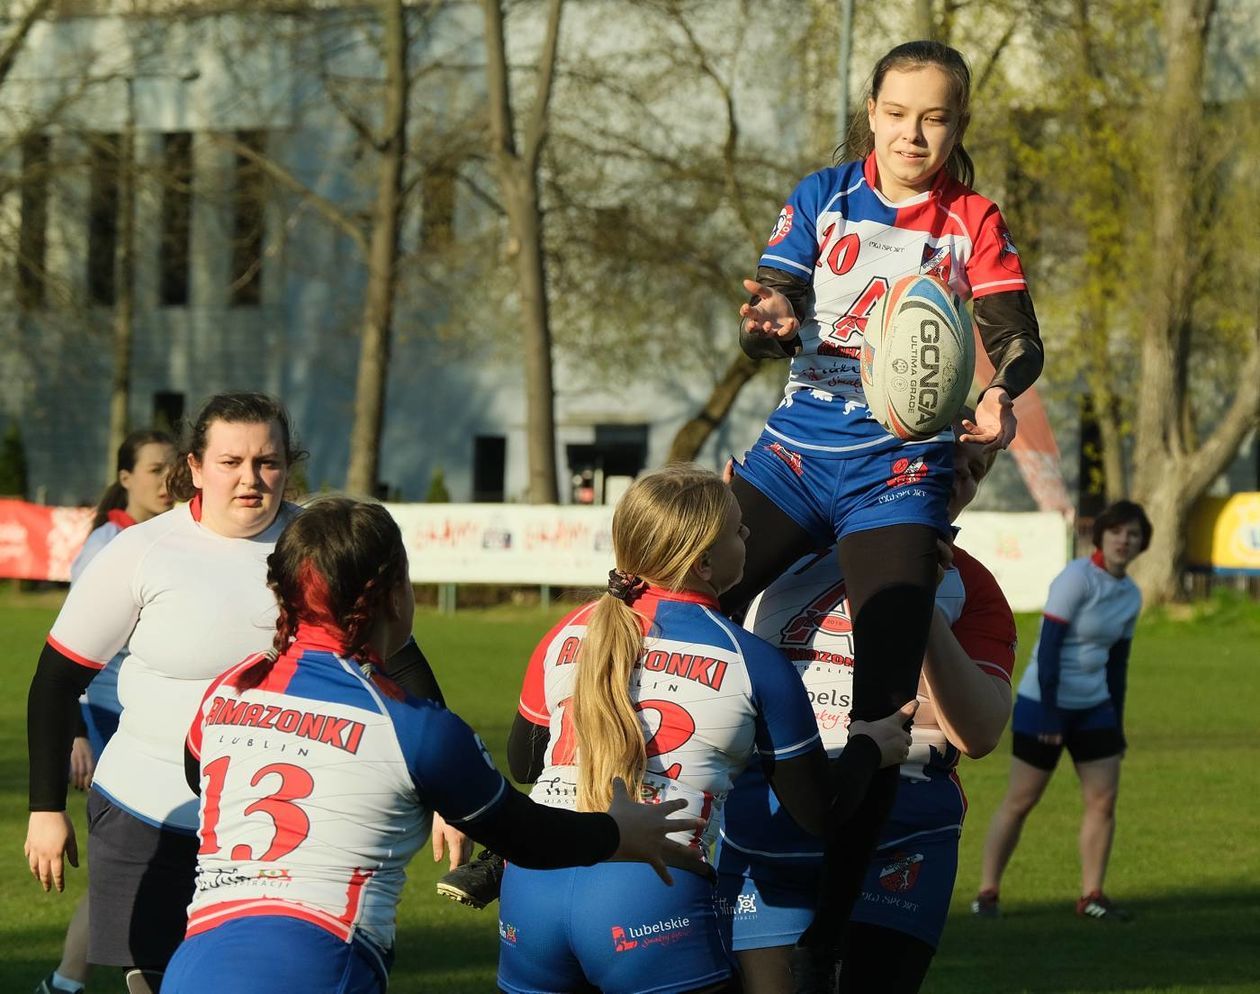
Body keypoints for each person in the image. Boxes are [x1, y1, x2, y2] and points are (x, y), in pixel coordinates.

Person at [724, 39, 1042, 951]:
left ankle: (828, 926)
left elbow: (1018, 337)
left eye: (935, 117)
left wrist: (997, 390)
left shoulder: (973, 218)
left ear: (957, 125)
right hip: (792, 456)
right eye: (899, 113)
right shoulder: (823, 195)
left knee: (884, 701)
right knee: (660, 603)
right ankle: (534, 828)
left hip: (899, 475)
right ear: (872, 111)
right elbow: (771, 308)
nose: (915, 133)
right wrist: (772, 320)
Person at [158, 496, 706, 994]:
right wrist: (620, 831)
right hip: (317, 964)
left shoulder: (227, 689)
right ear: (396, 597)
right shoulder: (413, 725)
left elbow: (201, 781)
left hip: (195, 959)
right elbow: (530, 839)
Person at [497, 465, 915, 994]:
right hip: (651, 892)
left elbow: (523, 763)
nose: (749, 538)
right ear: (703, 563)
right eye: (739, 531)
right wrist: (867, 748)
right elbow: (819, 812)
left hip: (532, 886)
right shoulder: (751, 659)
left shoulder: (566, 630)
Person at [26, 394, 338, 994]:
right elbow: (55, 681)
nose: (251, 478)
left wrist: (437, 787)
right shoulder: (141, 551)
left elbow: (393, 662)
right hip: (148, 813)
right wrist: (46, 809)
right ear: (194, 467)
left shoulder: (319, 545)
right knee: (157, 980)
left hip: (276, 825)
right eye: (231, 462)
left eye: (268, 462)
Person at [715, 428, 1015, 994]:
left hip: (904, 823)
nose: (959, 479)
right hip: (775, 806)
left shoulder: (971, 585)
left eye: (976, 471)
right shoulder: (780, 551)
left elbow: (978, 732)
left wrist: (916, 602)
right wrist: (721, 528)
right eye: (947, 458)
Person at [36, 430, 176, 994]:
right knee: (133, 863)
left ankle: (67, 982)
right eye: (153, 469)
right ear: (125, 478)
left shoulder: (162, 538)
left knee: (134, 864)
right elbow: (66, 653)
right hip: (107, 717)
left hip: (145, 717)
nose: (167, 481)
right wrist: (74, 732)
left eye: (173, 468)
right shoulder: (108, 545)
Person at [972, 500, 1151, 923]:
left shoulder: (1130, 594)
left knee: (1103, 801)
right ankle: (987, 894)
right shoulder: (1077, 578)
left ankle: (1092, 895)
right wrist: (1051, 715)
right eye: (1118, 532)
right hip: (1043, 703)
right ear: (1102, 536)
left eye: (1134, 534)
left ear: (1143, 544)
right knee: (1021, 800)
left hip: (1095, 707)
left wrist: (1117, 725)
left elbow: (1118, 665)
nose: (1125, 540)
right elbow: (1048, 648)